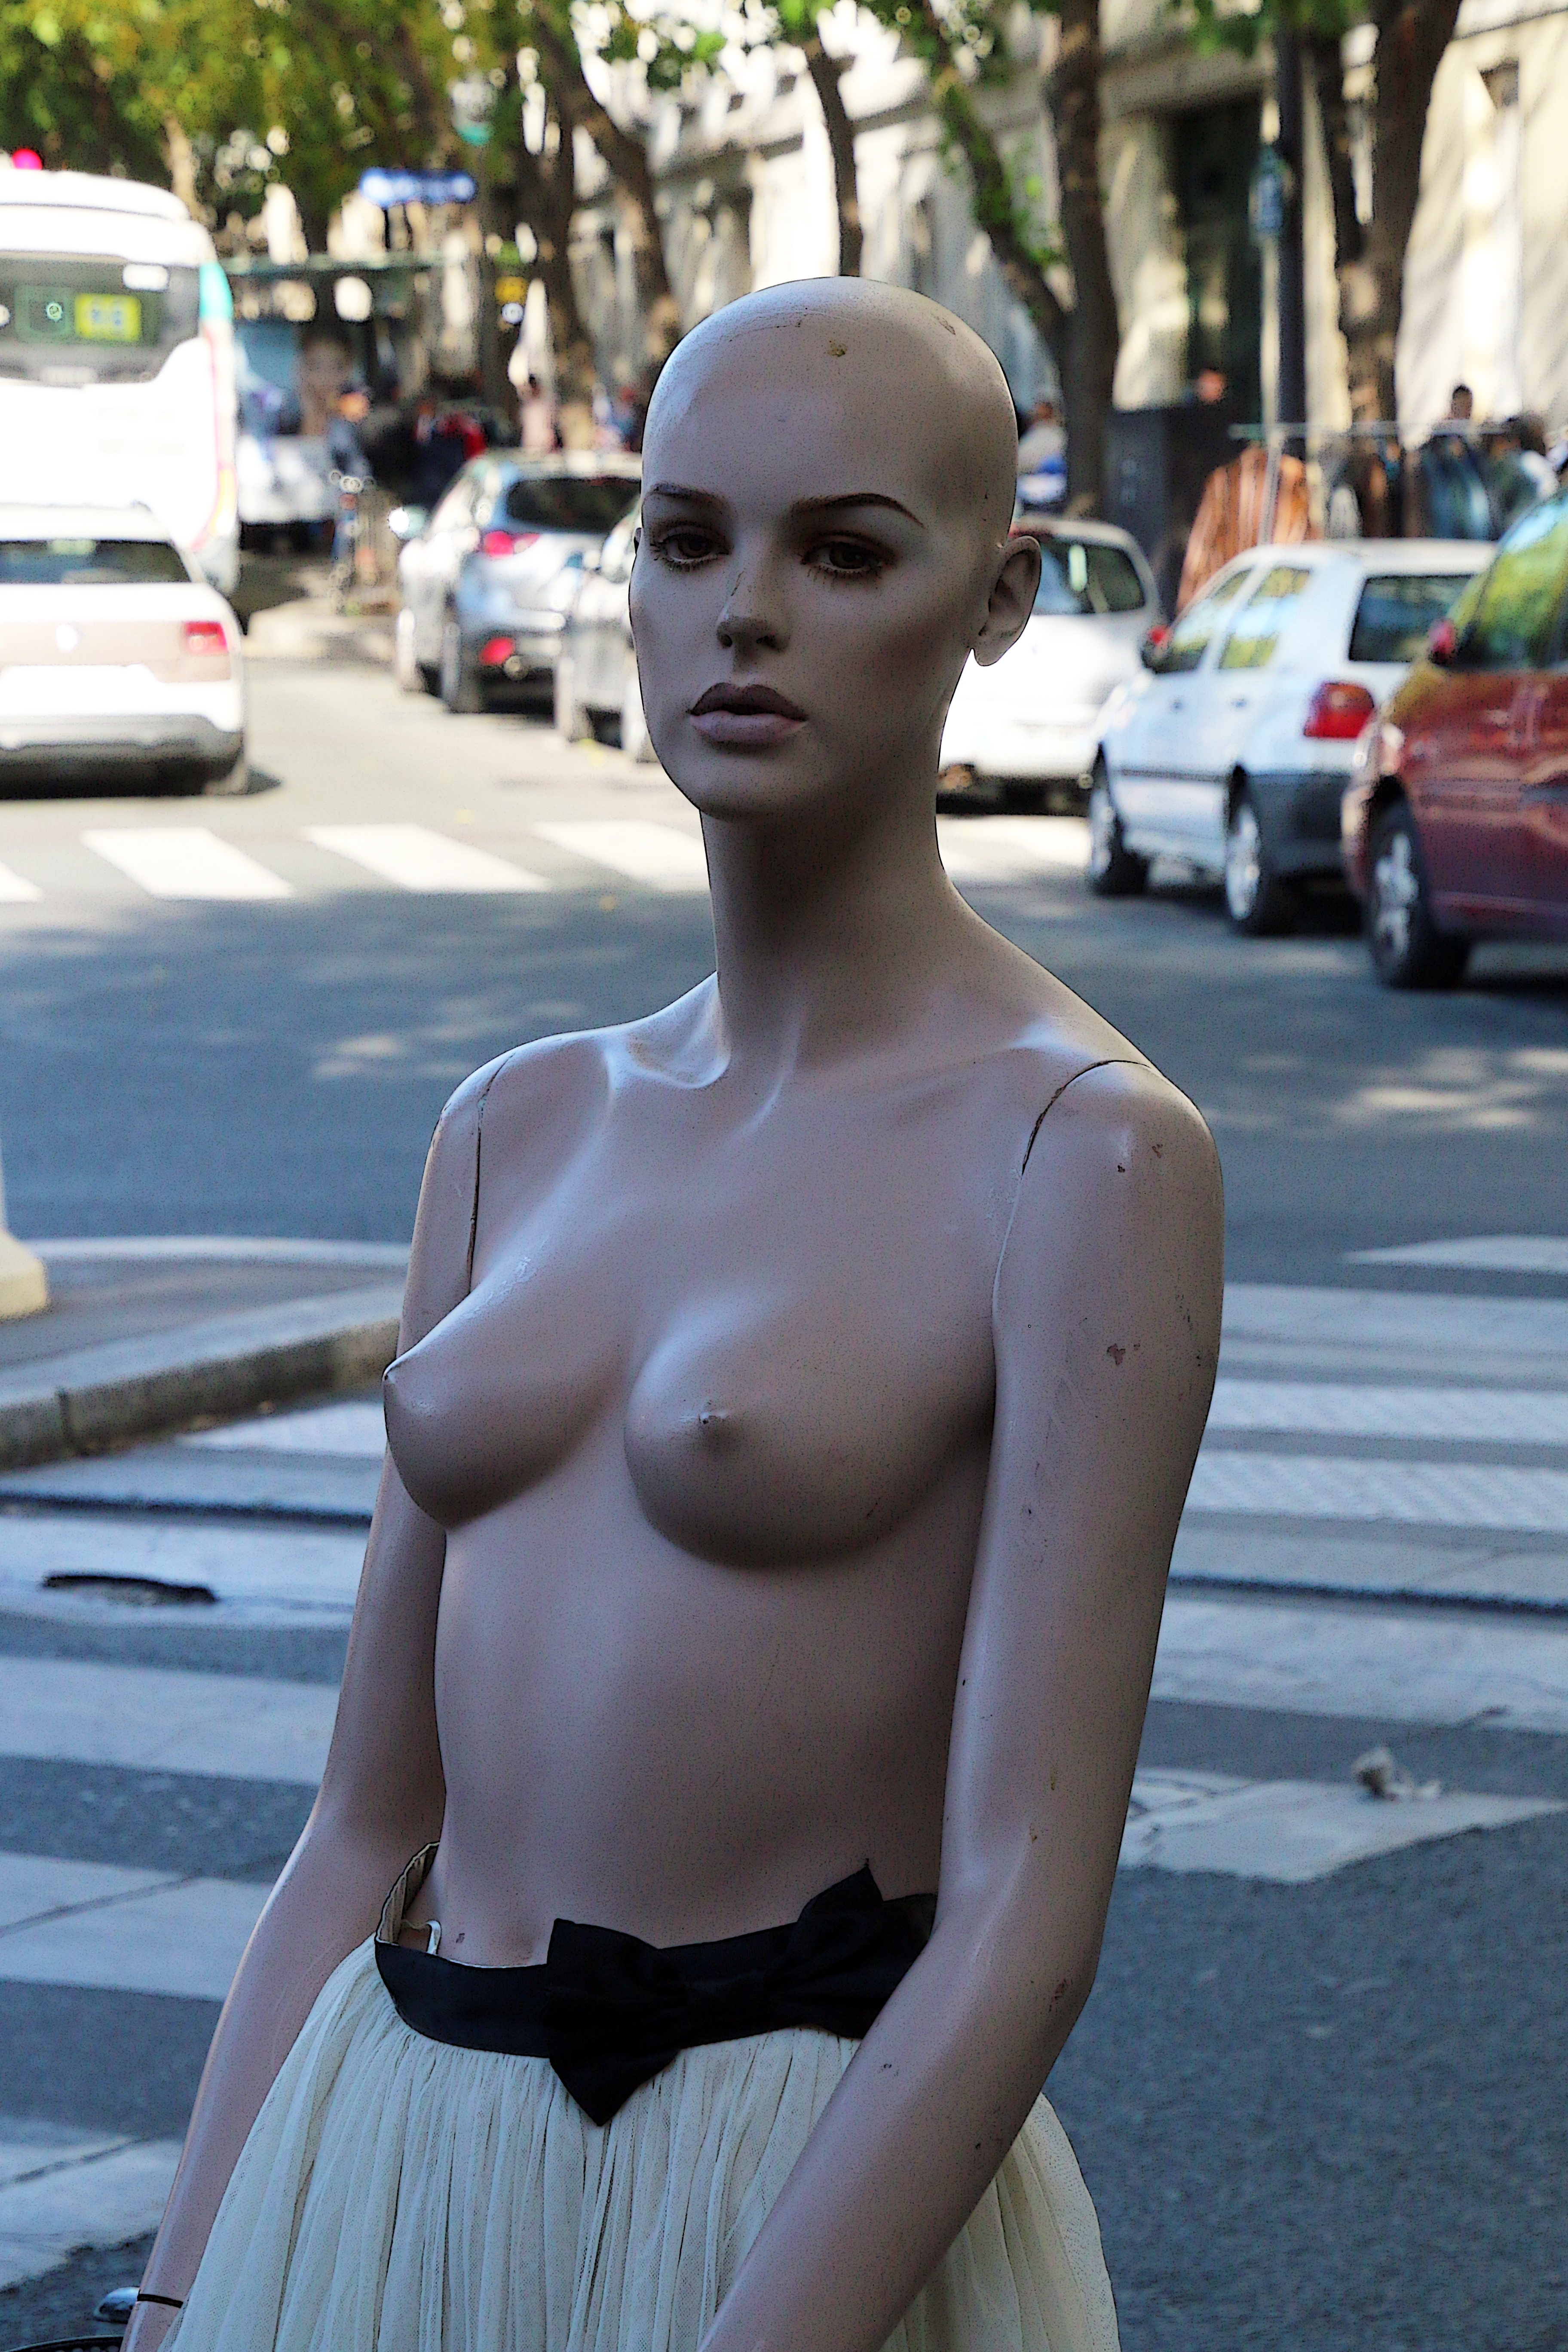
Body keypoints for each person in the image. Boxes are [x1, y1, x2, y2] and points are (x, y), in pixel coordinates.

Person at [123, 278, 1223, 2352]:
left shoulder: (1083, 1154)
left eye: (845, 551)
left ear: (992, 604)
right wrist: (180, 2289)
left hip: (790, 2198)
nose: (748, 614)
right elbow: (366, 1820)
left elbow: (1024, 1923)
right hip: (388, 2169)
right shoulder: (510, 1127)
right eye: (692, 539)